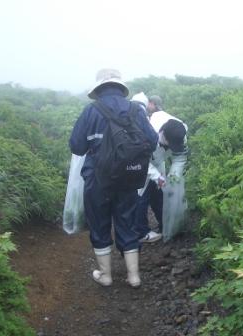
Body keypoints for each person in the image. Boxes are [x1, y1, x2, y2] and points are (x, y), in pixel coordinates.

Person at [69, 69, 158, 287]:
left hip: (97, 180)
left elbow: (77, 147)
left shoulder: (90, 111)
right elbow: (153, 141)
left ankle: (106, 276)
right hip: (128, 177)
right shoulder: (135, 110)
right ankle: (134, 276)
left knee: (99, 224)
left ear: (98, 89)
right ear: (120, 87)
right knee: (126, 222)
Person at [135, 95, 188, 243]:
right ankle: (141, 231)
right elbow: (141, 160)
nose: (171, 147)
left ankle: (165, 225)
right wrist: (156, 176)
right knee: (141, 196)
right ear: (162, 134)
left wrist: (174, 175)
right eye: (169, 144)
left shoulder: (180, 132)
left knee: (159, 194)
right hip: (142, 164)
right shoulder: (147, 133)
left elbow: (180, 157)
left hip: (158, 162)